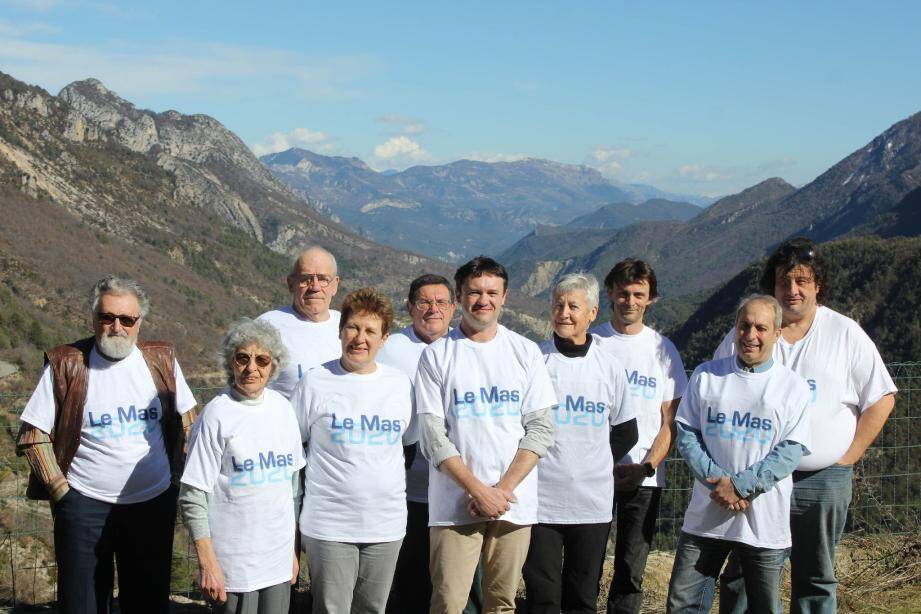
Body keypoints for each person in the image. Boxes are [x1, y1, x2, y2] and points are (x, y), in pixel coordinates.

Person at [715, 237, 897, 614]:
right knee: (745, 573)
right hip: (757, 480)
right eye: (784, 281)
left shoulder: (844, 334)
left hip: (821, 479)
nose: (792, 290)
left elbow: (881, 397)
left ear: (818, 286)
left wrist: (848, 457)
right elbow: (714, 391)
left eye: (802, 281)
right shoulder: (751, 331)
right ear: (773, 285)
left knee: (815, 576)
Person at [16, 275, 198, 614]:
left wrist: (174, 481)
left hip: (152, 504)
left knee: (147, 601)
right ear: (94, 318)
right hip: (85, 508)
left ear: (139, 322)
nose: (117, 326)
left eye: (127, 319)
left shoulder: (161, 361)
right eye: (107, 317)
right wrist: (63, 494)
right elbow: (34, 434)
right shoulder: (67, 364)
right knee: (83, 602)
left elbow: (188, 422)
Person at [416, 256, 557, 614]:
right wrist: (479, 491)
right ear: (460, 297)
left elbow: (540, 430)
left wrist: (501, 492)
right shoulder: (437, 355)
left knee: (502, 604)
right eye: (474, 292)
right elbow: (432, 436)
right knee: (448, 603)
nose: (484, 300)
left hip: (513, 503)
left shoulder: (525, 352)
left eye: (492, 292)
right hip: (454, 504)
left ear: (505, 296)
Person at [666, 295, 812, 614]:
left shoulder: (793, 388)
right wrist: (718, 481)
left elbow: (790, 451)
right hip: (706, 517)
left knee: (762, 608)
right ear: (735, 328)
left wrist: (741, 486)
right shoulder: (707, 376)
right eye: (744, 325)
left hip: (763, 522)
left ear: (776, 333)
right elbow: (687, 434)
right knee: (683, 604)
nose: (750, 335)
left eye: (761, 327)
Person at [291, 288, 416, 614]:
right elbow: (294, 448)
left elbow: (408, 444)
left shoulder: (400, 385)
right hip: (330, 524)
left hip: (386, 524)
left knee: (373, 609)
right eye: (353, 328)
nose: (360, 338)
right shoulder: (316, 382)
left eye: (371, 331)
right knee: (331, 609)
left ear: (384, 338)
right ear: (340, 330)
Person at [523, 273, 638, 614]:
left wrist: (596, 461)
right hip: (540, 500)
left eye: (574, 306)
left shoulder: (608, 367)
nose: (564, 313)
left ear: (592, 313)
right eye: (558, 305)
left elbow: (626, 430)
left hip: (592, 502)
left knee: (582, 597)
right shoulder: (535, 361)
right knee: (542, 596)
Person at [179, 318, 305, 613]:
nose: (252, 368)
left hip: (277, 562)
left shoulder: (283, 410)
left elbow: (293, 490)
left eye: (262, 360)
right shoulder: (215, 415)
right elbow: (193, 495)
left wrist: (292, 551)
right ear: (230, 362)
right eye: (242, 358)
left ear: (273, 366)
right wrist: (208, 562)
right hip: (234, 567)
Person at [590, 258, 687, 614]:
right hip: (591, 475)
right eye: (623, 293)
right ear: (611, 294)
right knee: (587, 565)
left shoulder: (663, 350)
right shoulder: (593, 342)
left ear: (650, 299)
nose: (629, 301)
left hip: (643, 480)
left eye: (638, 294)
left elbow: (670, 420)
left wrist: (646, 467)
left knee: (631, 570)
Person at [378, 274, 460, 614]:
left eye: (441, 302)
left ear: (453, 308)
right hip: (406, 489)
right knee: (409, 578)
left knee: (451, 582)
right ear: (410, 307)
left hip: (457, 487)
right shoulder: (391, 349)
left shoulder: (462, 346)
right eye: (424, 302)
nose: (433, 309)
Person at [258, 246, 342, 399]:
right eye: (306, 279)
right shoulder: (266, 327)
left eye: (323, 279)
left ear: (335, 285)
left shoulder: (349, 327)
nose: (315, 287)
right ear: (291, 284)